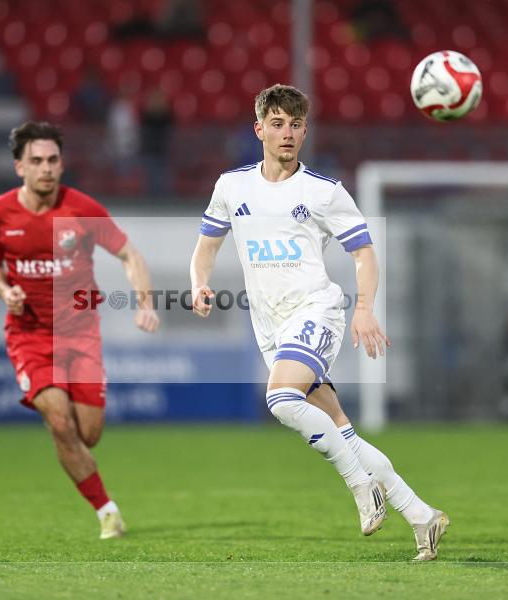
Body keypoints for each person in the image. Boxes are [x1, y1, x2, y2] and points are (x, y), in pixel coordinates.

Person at [189, 85, 448, 561]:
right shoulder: (232, 187)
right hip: (270, 325)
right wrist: (198, 283)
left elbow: (364, 253)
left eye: (295, 124)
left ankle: (360, 487)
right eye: (278, 123)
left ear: (305, 131)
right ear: (259, 129)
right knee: (342, 431)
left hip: (316, 309)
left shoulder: (324, 192)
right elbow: (206, 246)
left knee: (280, 398)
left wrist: (365, 307)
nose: (287, 133)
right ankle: (421, 514)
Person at [0, 121, 160, 539]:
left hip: (81, 336)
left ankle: (76, 453)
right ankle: (107, 512)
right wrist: (5, 290)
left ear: (62, 164)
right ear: (19, 167)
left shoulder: (82, 209)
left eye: (53, 160)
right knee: (59, 423)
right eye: (37, 161)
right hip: (29, 336)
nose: (46, 168)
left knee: (88, 435)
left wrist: (145, 304)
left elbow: (129, 254)